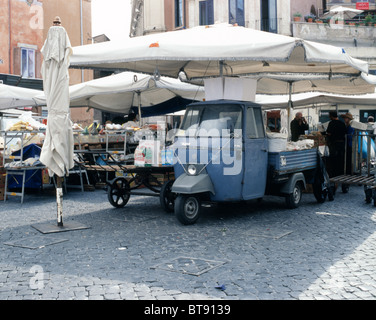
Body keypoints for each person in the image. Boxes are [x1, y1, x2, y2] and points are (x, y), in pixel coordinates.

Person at [326, 111, 347, 177]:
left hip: (334, 144)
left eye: (329, 115)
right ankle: (341, 174)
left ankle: (334, 175)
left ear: (331, 116)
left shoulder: (331, 123)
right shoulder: (342, 123)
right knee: (341, 160)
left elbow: (329, 133)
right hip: (342, 144)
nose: (329, 117)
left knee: (333, 160)